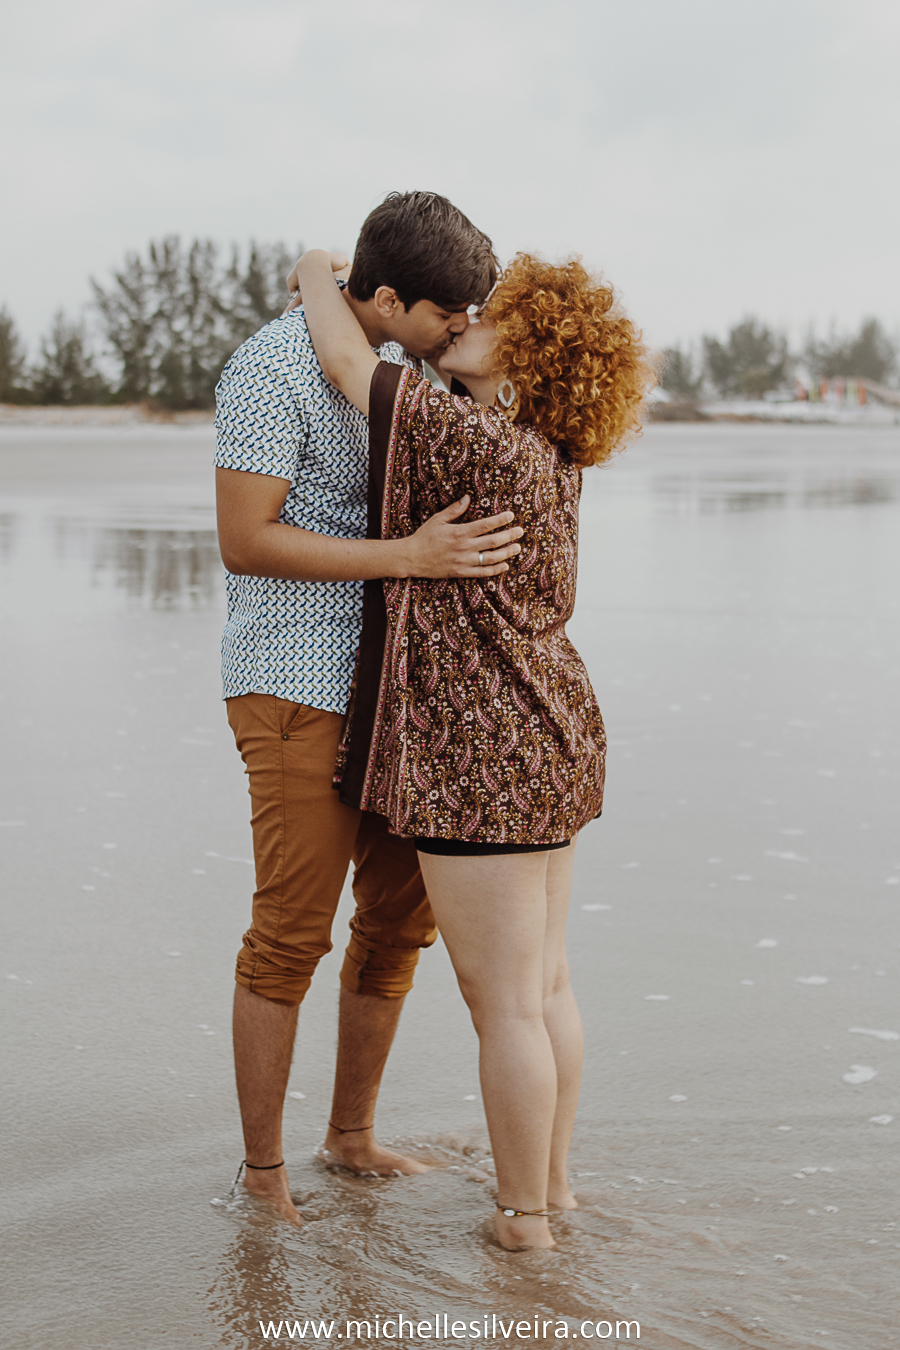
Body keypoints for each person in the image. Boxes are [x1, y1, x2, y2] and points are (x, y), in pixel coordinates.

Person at [293, 245, 651, 1249]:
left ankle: (522, 1219)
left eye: (497, 314)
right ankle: (556, 1189)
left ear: (530, 354)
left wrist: (319, 271)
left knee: (505, 1009)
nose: (472, 317)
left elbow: (347, 365)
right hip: (555, 737)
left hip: (482, 754)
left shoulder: (472, 440)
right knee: (545, 989)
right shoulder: (548, 451)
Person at [214, 192, 524, 1227]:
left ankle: (349, 1140)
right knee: (289, 936)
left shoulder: (415, 369)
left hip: (407, 696)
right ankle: (263, 1177)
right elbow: (246, 540)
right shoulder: (270, 370)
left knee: (396, 928)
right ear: (388, 298)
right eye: (449, 314)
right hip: (297, 682)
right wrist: (408, 558)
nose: (462, 331)